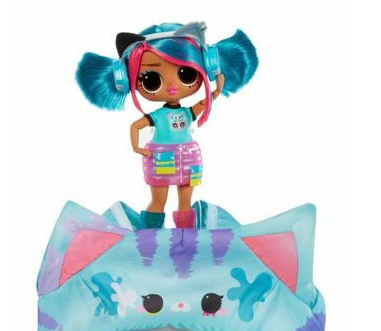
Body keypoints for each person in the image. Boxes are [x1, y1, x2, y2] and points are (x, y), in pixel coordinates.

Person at [76, 22, 258, 228]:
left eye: (186, 74)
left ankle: (186, 235)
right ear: (124, 80)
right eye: (151, 79)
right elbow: (135, 126)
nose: (172, 87)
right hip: (161, 156)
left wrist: (216, 91)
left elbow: (202, 104)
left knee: (185, 201)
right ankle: (150, 234)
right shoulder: (158, 115)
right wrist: (137, 147)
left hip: (188, 156)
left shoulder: (186, 112)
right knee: (158, 200)